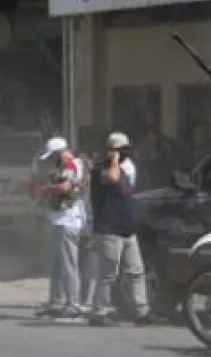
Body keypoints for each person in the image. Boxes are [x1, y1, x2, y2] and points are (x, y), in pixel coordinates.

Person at [86, 132, 152, 327]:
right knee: (108, 273)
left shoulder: (128, 167)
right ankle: (99, 312)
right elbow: (112, 178)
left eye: (124, 150)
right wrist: (113, 159)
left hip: (127, 228)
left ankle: (141, 311)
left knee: (136, 271)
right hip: (108, 228)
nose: (122, 154)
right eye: (117, 150)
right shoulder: (101, 169)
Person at [34, 136, 87, 319]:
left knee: (68, 265)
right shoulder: (65, 166)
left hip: (68, 220)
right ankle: (56, 302)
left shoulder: (72, 165)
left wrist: (47, 188)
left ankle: (73, 303)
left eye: (54, 155)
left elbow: (65, 187)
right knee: (58, 264)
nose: (52, 159)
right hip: (60, 219)